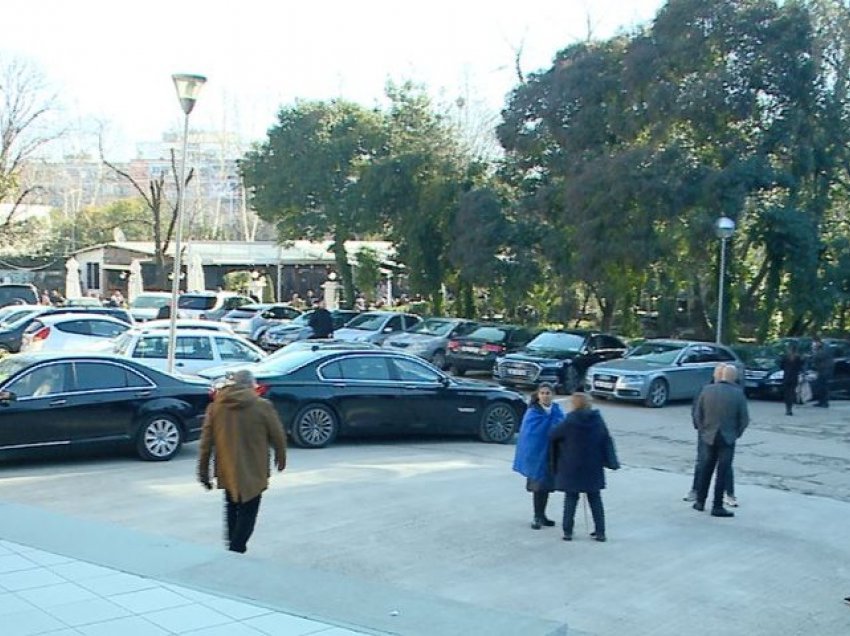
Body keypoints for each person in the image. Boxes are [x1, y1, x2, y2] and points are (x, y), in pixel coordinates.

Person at [197, 369, 287, 554]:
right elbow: (277, 435)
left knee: (231, 504)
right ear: (251, 385)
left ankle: (232, 546)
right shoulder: (262, 406)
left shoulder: (216, 407)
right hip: (254, 468)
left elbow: (206, 443)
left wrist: (203, 471)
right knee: (249, 508)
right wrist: (281, 456)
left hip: (227, 467)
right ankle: (237, 548)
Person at [549, 392, 619, 542]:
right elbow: (606, 439)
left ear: (574, 404)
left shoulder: (569, 421)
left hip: (572, 466)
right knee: (595, 499)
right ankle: (600, 532)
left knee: (571, 499)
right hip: (593, 466)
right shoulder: (597, 420)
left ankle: (567, 531)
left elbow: (553, 435)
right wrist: (611, 461)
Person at [692, 364, 749, 518]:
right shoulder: (738, 394)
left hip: (708, 435)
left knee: (705, 469)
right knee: (722, 472)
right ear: (734, 377)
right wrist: (736, 434)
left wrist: (703, 431)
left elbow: (698, 413)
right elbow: (744, 419)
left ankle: (700, 501)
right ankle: (717, 505)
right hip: (727, 437)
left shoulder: (707, 390)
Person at [512, 383, 565, 530]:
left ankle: (543, 514)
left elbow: (563, 426)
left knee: (547, 486)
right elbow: (529, 434)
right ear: (538, 395)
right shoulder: (533, 412)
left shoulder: (557, 410)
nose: (545, 395)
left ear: (553, 395)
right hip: (537, 455)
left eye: (548, 393)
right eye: (542, 393)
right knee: (538, 486)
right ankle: (537, 516)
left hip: (552, 454)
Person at [684, 365, 737, 507]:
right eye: (718, 374)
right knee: (702, 463)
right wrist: (701, 429)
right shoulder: (706, 389)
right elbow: (697, 411)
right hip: (707, 432)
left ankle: (728, 493)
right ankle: (696, 491)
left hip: (723, 433)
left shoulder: (733, 391)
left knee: (724, 466)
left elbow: (740, 416)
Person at [780, 343, 804, 416]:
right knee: (791, 393)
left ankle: (788, 409)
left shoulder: (785, 357)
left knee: (787, 393)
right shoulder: (798, 357)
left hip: (787, 377)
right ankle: (789, 409)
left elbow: (781, 366)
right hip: (794, 377)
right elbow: (800, 367)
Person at [811, 337, 834, 408]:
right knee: (820, 386)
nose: (814, 344)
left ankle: (825, 402)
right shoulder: (821, 348)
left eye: (815, 343)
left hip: (826, 369)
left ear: (818, 342)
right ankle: (821, 401)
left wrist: (814, 351)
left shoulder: (825, 348)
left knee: (824, 386)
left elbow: (820, 356)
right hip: (821, 370)